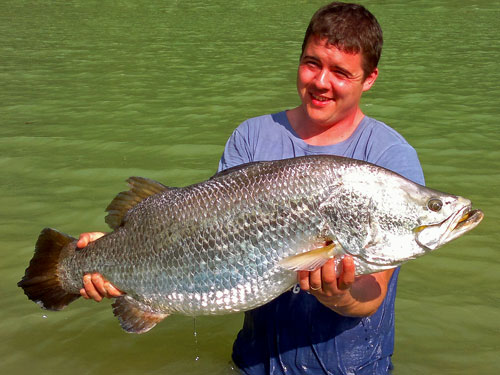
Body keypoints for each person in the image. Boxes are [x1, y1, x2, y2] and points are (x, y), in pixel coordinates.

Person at [77, 2, 425, 374]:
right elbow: (201, 231)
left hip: (352, 366)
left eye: (341, 72)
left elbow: (374, 293)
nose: (321, 82)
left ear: (369, 78)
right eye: (312, 63)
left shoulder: (390, 159)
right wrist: (119, 250)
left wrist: (340, 296)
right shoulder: (251, 136)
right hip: (256, 360)